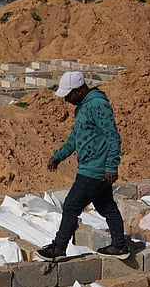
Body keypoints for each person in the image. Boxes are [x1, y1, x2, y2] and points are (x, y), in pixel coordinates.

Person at [37, 71, 129, 261]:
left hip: (94, 169)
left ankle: (59, 248)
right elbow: (75, 138)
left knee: (71, 206)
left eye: (68, 95)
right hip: (93, 167)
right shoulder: (83, 107)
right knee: (107, 207)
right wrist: (58, 156)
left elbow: (112, 136)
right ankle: (119, 246)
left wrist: (112, 166)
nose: (66, 100)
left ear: (79, 90)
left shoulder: (97, 105)